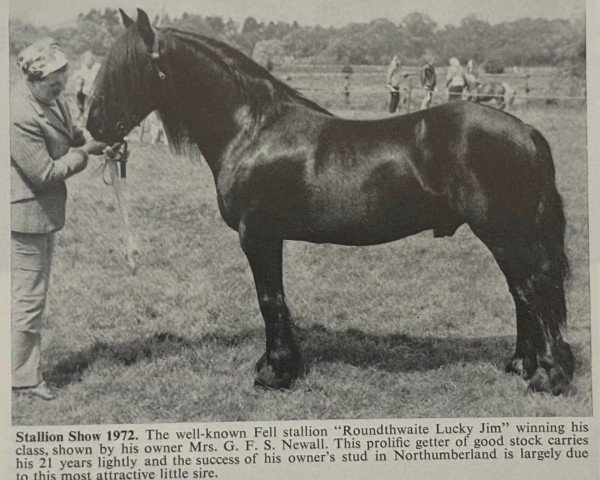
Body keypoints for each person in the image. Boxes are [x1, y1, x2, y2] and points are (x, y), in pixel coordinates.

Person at [11, 39, 108, 400]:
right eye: (53, 85)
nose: (60, 90)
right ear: (34, 80)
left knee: (31, 294)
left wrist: (99, 141)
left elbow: (72, 132)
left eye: (62, 82)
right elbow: (45, 174)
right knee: (28, 298)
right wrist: (85, 153)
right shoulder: (18, 114)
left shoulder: (51, 97)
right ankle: (21, 378)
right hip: (23, 217)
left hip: (43, 214)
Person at [73, 50, 100, 124]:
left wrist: (93, 89)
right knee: (78, 93)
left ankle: (88, 116)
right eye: (85, 60)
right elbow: (80, 76)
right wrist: (78, 85)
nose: (87, 62)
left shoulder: (97, 67)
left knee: (90, 103)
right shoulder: (84, 67)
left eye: (89, 60)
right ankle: (80, 109)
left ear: (92, 60)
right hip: (86, 89)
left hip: (94, 89)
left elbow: (97, 81)